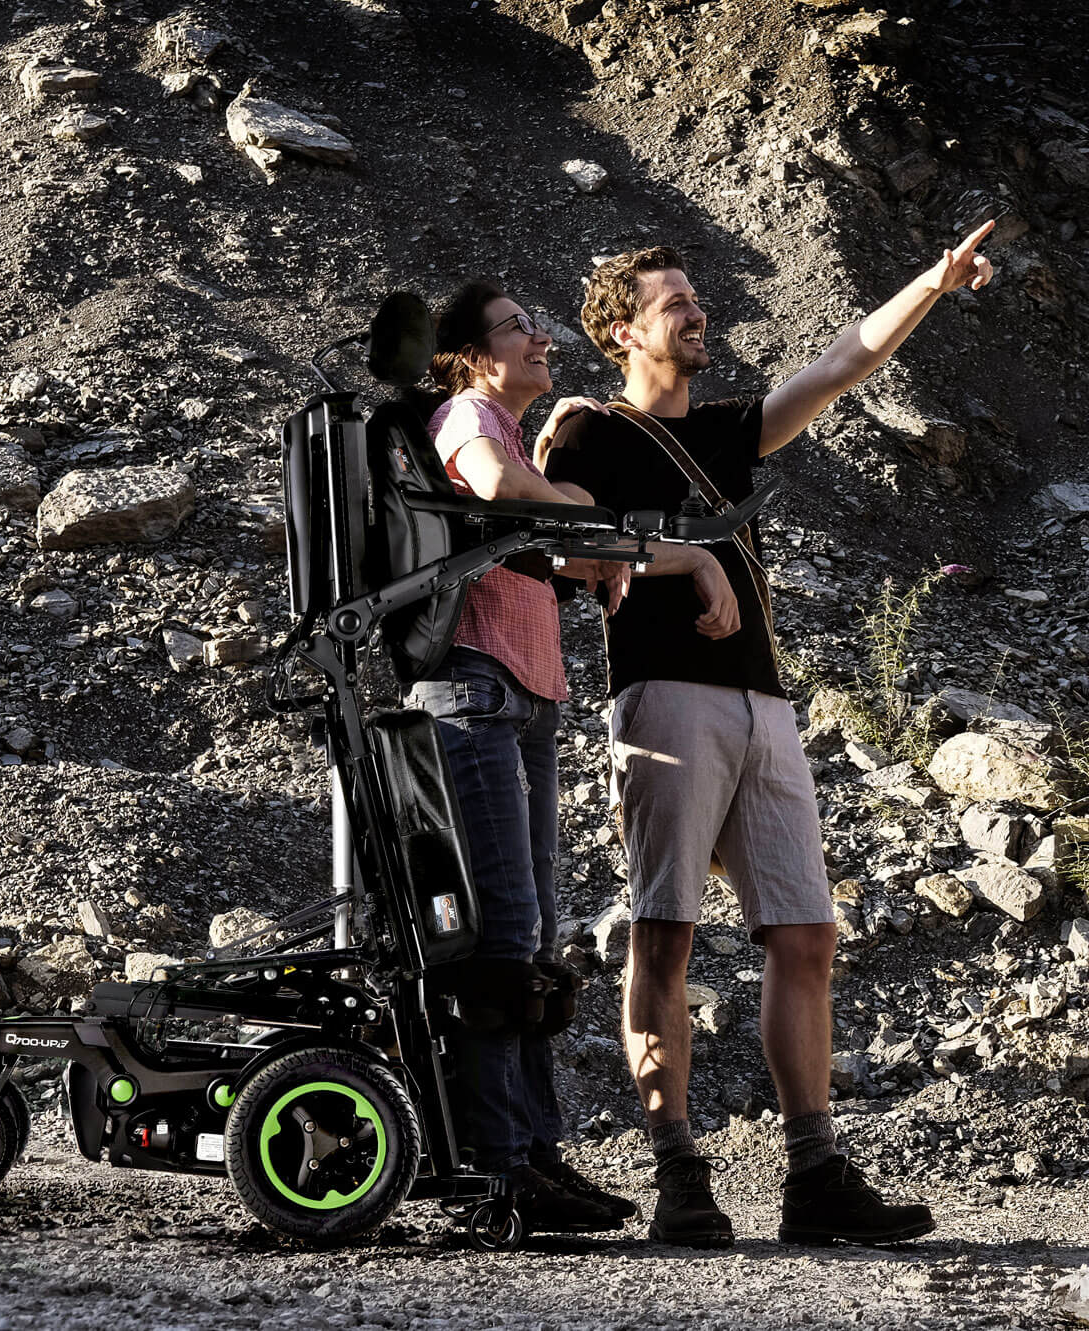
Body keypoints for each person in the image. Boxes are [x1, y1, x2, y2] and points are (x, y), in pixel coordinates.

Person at [541, 221, 997, 1246]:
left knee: (804, 934)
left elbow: (842, 362)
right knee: (664, 931)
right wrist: (662, 546)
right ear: (622, 331)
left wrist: (930, 281)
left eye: (695, 298)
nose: (698, 313)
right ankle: (679, 1176)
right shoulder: (590, 434)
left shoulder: (728, 427)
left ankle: (814, 1173)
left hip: (765, 702)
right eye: (674, 304)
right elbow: (555, 537)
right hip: (663, 694)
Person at [397, 279, 635, 1233]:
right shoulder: (467, 415)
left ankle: (536, 1149)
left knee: (531, 937)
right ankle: (495, 1168)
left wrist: (582, 531)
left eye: (534, 324)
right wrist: (576, 499)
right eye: (515, 328)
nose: (539, 337)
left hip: (522, 700)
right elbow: (498, 487)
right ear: (471, 355)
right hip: (475, 693)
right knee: (502, 933)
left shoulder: (505, 427)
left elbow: (547, 539)